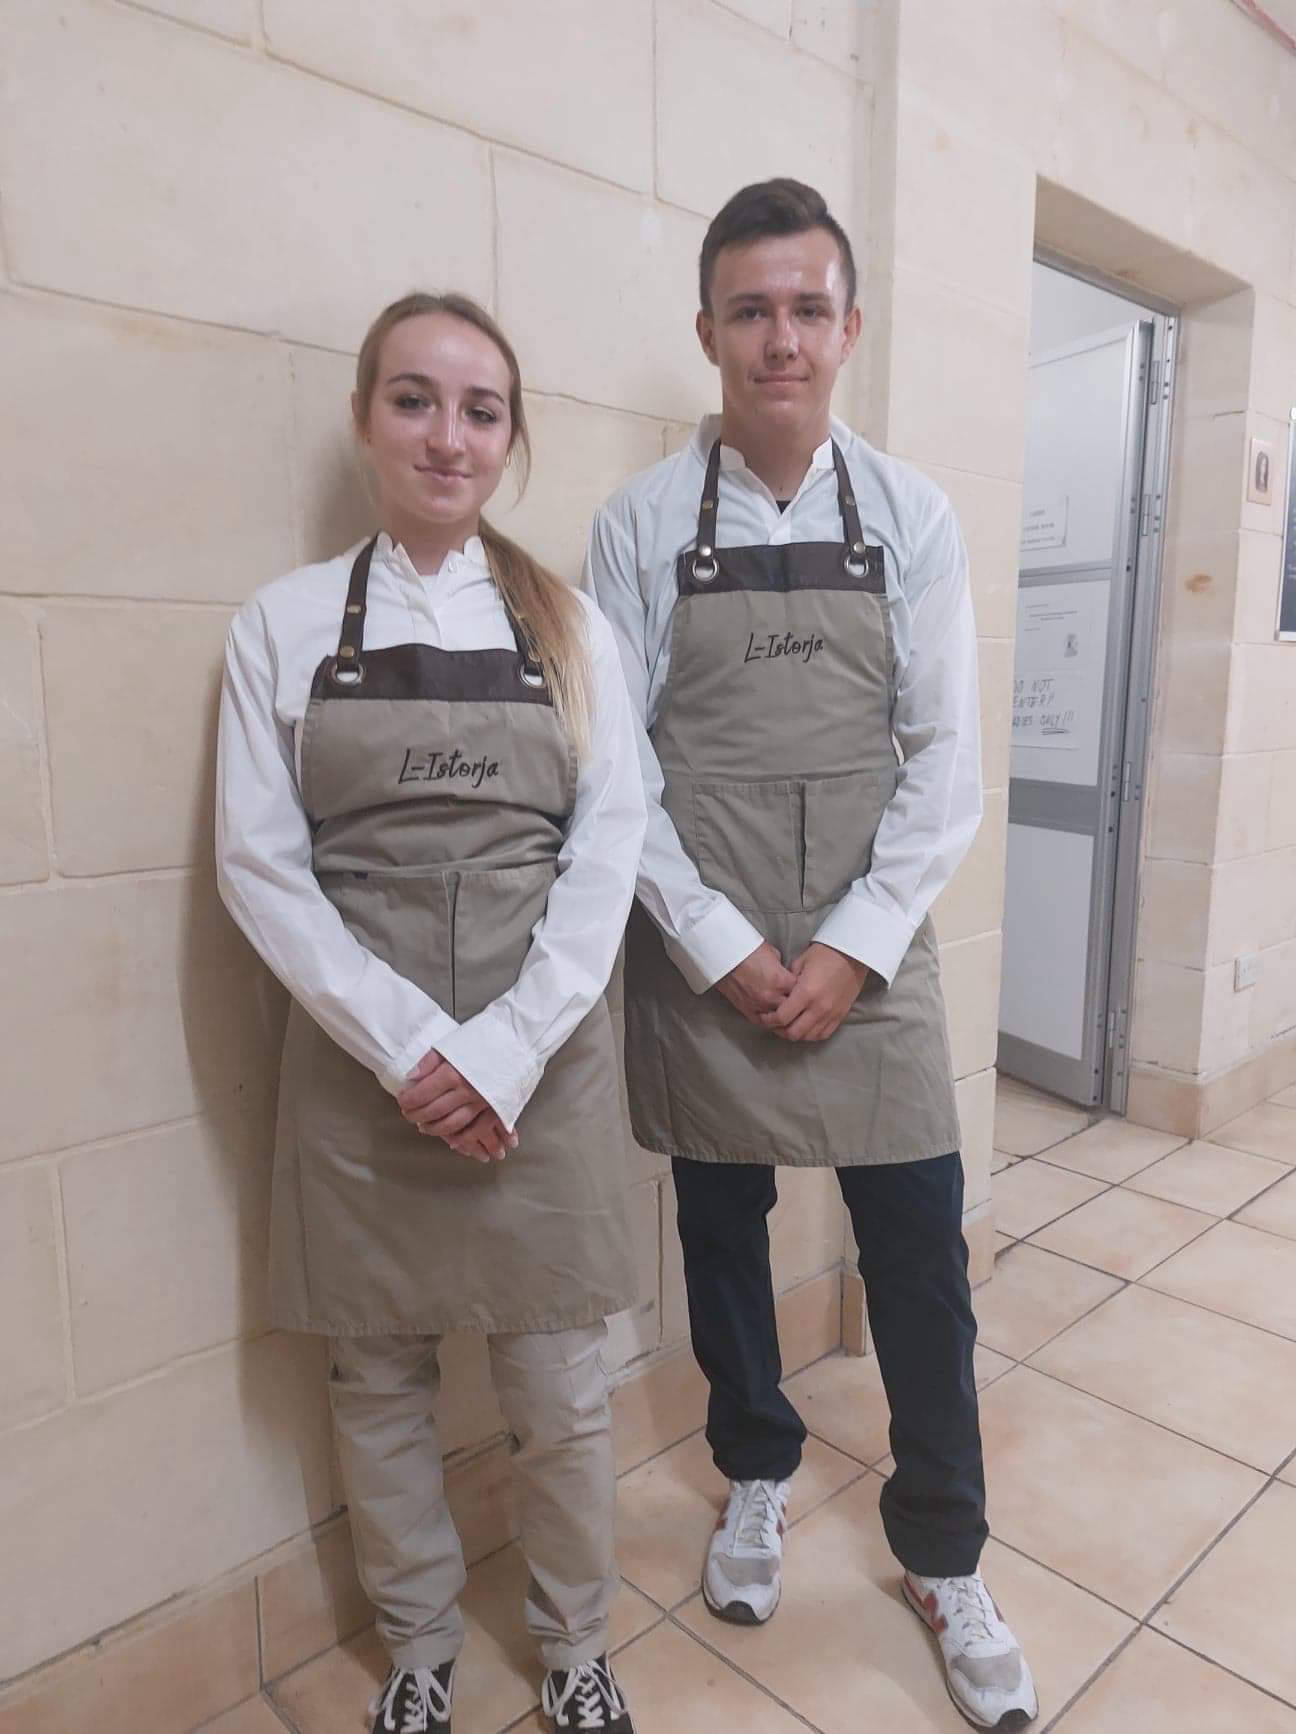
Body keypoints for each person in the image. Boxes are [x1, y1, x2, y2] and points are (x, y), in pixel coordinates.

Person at [583, 181, 1038, 1732]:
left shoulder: (911, 515)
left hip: (873, 950)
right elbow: (617, 770)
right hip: (700, 944)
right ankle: (757, 1472)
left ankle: (945, 1551)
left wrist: (849, 947)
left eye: (805, 308)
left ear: (849, 327)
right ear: (708, 329)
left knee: (918, 1252)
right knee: (722, 1235)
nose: (779, 338)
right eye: (750, 309)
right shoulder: (641, 525)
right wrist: (718, 946)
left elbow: (945, 768)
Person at [217, 292, 646, 1734]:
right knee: (378, 1377)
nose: (447, 436)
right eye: (415, 400)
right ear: (364, 420)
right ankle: (418, 1650)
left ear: (511, 438)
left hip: (545, 1064)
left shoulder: (574, 629)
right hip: (362, 1071)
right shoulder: (281, 627)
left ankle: (576, 1644)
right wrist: (411, 1048)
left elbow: (609, 851)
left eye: (480, 409)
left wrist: (505, 1050)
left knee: (562, 1385)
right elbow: (260, 868)